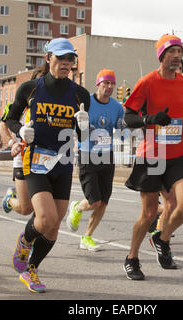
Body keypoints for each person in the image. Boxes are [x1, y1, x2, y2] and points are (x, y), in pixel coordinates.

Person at [5, 38, 90, 293]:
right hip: (36, 161)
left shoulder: (80, 94)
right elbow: (10, 118)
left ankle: (32, 269)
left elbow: (83, 137)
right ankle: (26, 239)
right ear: (48, 58)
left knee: (53, 225)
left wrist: (84, 127)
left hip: (63, 163)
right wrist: (22, 131)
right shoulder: (30, 88)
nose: (66, 64)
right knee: (46, 217)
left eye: (70, 60)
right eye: (61, 58)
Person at [122, 34, 183, 280]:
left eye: (179, 51)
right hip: (152, 154)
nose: (177, 56)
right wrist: (148, 120)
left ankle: (162, 239)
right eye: (172, 51)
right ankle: (132, 257)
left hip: (177, 154)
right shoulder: (147, 82)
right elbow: (128, 117)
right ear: (162, 55)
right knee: (150, 213)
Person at [66, 68, 124, 251]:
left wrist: (126, 128)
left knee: (104, 202)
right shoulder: (86, 103)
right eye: (105, 83)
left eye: (112, 83)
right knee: (94, 202)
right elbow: (77, 129)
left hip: (107, 156)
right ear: (98, 84)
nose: (109, 87)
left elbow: (121, 133)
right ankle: (76, 207)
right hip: (87, 155)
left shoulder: (117, 107)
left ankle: (87, 237)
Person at [0, 66, 44, 216]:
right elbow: (2, 126)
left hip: (44, 159)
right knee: (26, 208)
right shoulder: (19, 105)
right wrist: (12, 143)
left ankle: (31, 237)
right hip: (22, 158)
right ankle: (10, 200)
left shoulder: (53, 105)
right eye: (38, 79)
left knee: (42, 208)